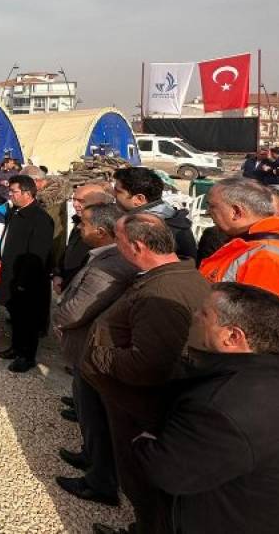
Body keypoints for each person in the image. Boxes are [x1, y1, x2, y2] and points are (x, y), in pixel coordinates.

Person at [82, 213, 210, 534]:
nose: (116, 245)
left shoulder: (161, 292)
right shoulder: (173, 276)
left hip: (139, 407)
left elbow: (148, 364)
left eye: (119, 240)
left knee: (142, 483)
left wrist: (98, 355)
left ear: (138, 246)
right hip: (138, 402)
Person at [133, 283, 279, 534]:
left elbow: (167, 470)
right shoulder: (268, 374)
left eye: (204, 313)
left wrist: (143, 439)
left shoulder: (223, 404)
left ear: (232, 337)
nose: (194, 316)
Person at [53, 203, 136, 508]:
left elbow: (77, 309)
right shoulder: (108, 257)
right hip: (87, 347)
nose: (79, 228)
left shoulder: (112, 265)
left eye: (84, 224)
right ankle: (91, 455)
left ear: (101, 232)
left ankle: (101, 481)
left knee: (96, 413)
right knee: (88, 411)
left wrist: (58, 317)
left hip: (91, 348)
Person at [0, 175, 55, 373]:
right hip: (11, 273)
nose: (10, 195)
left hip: (27, 280)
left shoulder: (40, 219)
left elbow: (38, 254)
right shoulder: (15, 213)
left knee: (28, 319)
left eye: (14, 191)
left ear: (27, 193)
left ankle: (27, 356)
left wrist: (23, 281)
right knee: (15, 316)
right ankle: (16, 347)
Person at [198, 177, 279, 298]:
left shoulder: (265, 259)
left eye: (212, 206)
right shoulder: (248, 243)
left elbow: (258, 309)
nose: (208, 212)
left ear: (236, 212)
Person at [113, 166, 197, 261]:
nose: (113, 194)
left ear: (139, 199)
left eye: (118, 191)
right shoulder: (169, 214)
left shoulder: (147, 227)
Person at [54, 183, 114, 292]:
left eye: (81, 201)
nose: (75, 204)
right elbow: (69, 249)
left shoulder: (107, 229)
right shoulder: (78, 221)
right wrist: (58, 274)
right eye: (74, 199)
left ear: (98, 203)